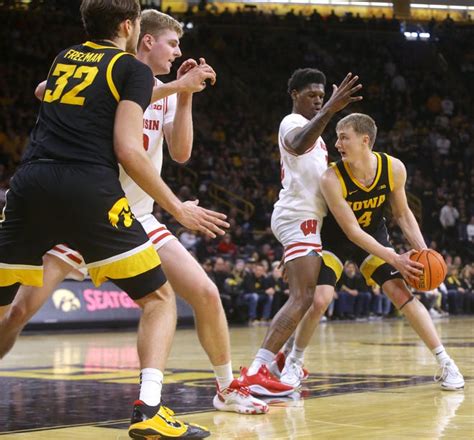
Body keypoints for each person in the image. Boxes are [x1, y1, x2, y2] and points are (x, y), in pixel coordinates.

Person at [0, 3, 234, 439]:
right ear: (141, 35)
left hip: (128, 211)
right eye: (172, 43)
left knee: (204, 291)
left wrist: (182, 93)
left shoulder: (144, 81)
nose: (177, 50)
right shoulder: (126, 74)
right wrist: (178, 207)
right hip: (94, 205)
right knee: (21, 311)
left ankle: (228, 389)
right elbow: (42, 91)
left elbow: (180, 153)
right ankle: (149, 409)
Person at [273, 113, 464, 391]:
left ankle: (446, 362)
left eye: (343, 137)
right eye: (337, 137)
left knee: (400, 293)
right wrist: (395, 257)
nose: (337, 143)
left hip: (373, 233)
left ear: (365, 141)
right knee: (320, 299)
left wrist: (423, 254)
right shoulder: (331, 177)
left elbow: (402, 214)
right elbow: (351, 231)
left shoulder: (394, 168)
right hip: (335, 238)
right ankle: (294, 362)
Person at [239, 68, 364, 396]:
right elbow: (296, 146)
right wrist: (330, 109)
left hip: (306, 220)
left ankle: (278, 363)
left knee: (310, 296)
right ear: (294, 94)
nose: (318, 100)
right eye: (312, 95)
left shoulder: (319, 138)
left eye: (322, 96)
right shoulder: (291, 123)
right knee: (304, 296)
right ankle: (257, 370)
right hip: (298, 216)